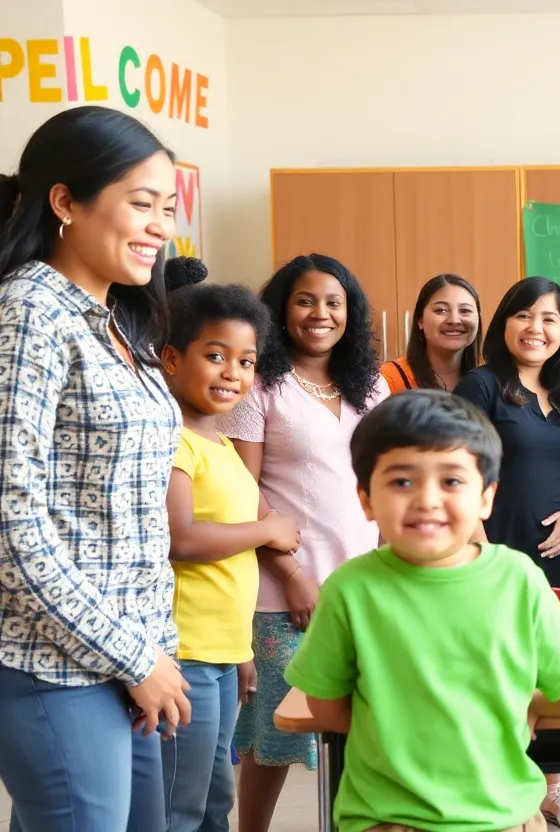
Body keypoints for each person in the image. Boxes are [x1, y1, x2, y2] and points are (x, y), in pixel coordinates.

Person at [285, 390, 560, 832]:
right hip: (500, 817)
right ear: (365, 497)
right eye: (403, 481)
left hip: (386, 818)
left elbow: (327, 708)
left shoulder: (349, 586)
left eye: (451, 481)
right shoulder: (518, 577)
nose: (427, 499)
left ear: (486, 496)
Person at [0, 106, 191, 831]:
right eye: (141, 204)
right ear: (65, 202)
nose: (159, 227)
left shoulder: (118, 322)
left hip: (126, 661)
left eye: (167, 209)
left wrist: (151, 652)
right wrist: (133, 656)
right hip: (58, 666)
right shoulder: (29, 314)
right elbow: (12, 525)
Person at [219, 253, 389, 832]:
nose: (321, 314)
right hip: (283, 588)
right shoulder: (259, 385)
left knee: (363, 727)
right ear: (281, 309)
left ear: (351, 313)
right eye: (306, 300)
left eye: (334, 302)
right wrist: (292, 575)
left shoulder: (372, 385)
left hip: (365, 586)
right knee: (276, 733)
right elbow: (241, 489)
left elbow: (388, 478)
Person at [160, 258, 301, 831]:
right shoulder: (175, 440)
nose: (232, 373)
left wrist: (242, 648)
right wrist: (268, 530)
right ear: (172, 358)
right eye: (215, 356)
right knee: (183, 804)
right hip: (183, 650)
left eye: (245, 361)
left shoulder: (217, 442)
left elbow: (232, 564)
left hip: (220, 651)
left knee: (214, 801)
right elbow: (183, 539)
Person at [453, 276, 560, 828]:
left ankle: (551, 789)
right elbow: (460, 467)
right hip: (491, 551)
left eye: (550, 319)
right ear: (504, 323)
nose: (536, 329)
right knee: (492, 668)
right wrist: (479, 548)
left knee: (548, 669)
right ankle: (498, 785)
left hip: (555, 551)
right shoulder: (481, 386)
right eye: (524, 316)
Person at [380, 273, 481, 393]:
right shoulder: (389, 379)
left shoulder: (487, 381)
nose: (454, 320)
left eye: (465, 310)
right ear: (420, 320)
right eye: (441, 310)